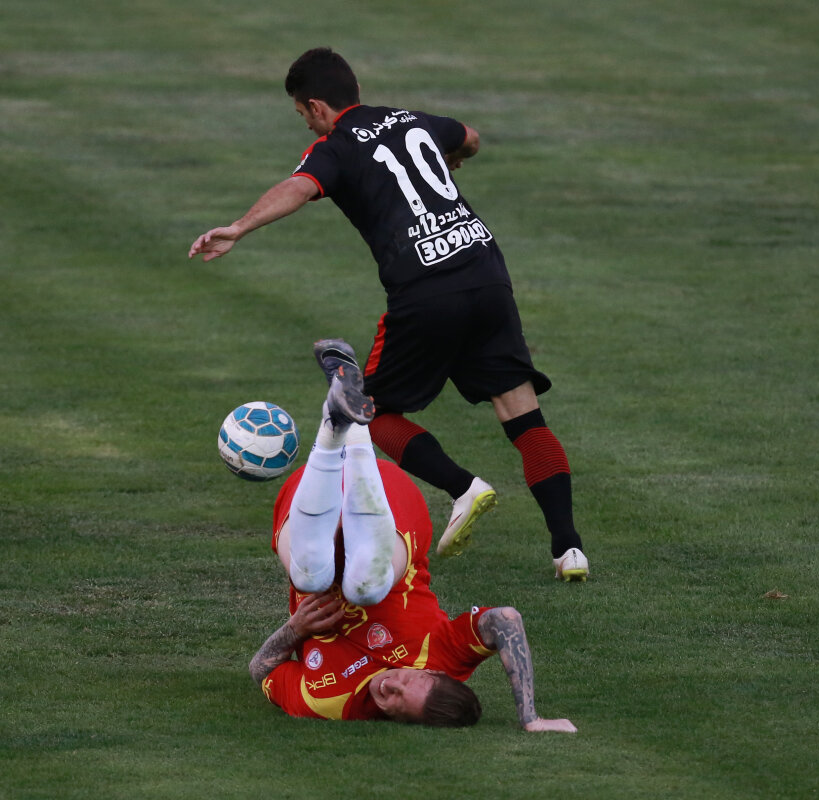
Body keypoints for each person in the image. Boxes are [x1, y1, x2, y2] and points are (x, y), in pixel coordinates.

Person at [189, 47, 588, 581]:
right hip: (485, 272)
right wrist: (455, 155)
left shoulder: (334, 147)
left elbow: (298, 188)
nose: (306, 125)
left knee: (369, 411)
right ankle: (569, 550)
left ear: (317, 107)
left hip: (426, 290)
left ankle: (463, 488)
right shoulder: (412, 119)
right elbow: (470, 136)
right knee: (523, 414)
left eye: (303, 115)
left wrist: (239, 227)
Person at [247, 340, 577, 731]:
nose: (390, 687)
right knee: (367, 588)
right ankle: (355, 431)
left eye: (396, 704)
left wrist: (295, 630)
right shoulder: (443, 655)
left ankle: (335, 424)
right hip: (388, 505)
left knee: (310, 577)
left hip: (312, 513)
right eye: (408, 682)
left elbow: (260, 670)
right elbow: (505, 620)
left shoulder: (328, 703)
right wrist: (530, 716)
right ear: (434, 674)